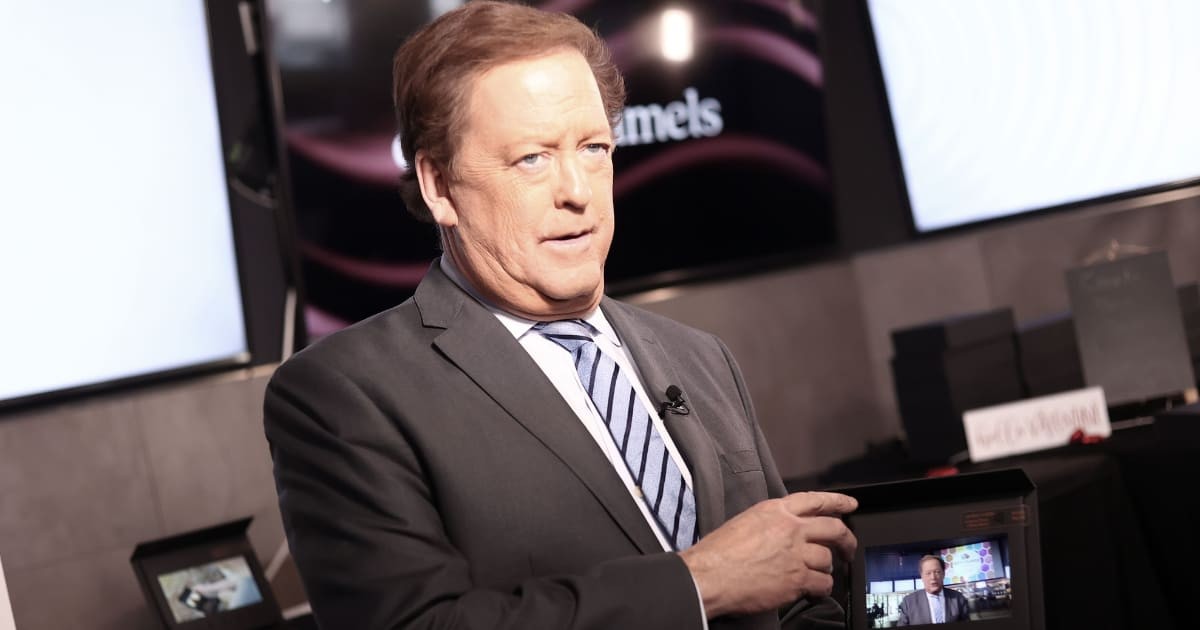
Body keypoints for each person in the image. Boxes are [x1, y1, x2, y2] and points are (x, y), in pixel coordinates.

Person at [263, 2, 857, 628]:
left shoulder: (700, 356)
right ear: (439, 185)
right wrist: (699, 584)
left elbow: (792, 597)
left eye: (594, 148)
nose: (577, 190)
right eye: (532, 159)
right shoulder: (342, 397)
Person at [896, 556, 971, 625]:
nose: (933, 577)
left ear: (943, 574)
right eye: (928, 573)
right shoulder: (908, 602)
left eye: (937, 572)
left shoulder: (958, 598)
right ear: (922, 576)